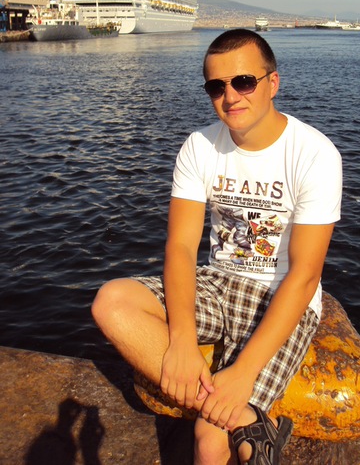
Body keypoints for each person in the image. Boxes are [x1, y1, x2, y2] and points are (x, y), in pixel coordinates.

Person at [92, 29, 342, 464]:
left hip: (276, 295)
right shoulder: (200, 146)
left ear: (272, 83)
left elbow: (304, 276)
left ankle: (231, 416)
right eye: (216, 86)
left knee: (209, 440)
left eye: (243, 82)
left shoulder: (314, 154)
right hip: (217, 283)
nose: (230, 97)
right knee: (111, 302)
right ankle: (248, 420)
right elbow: (181, 247)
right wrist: (182, 341)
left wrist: (243, 372)